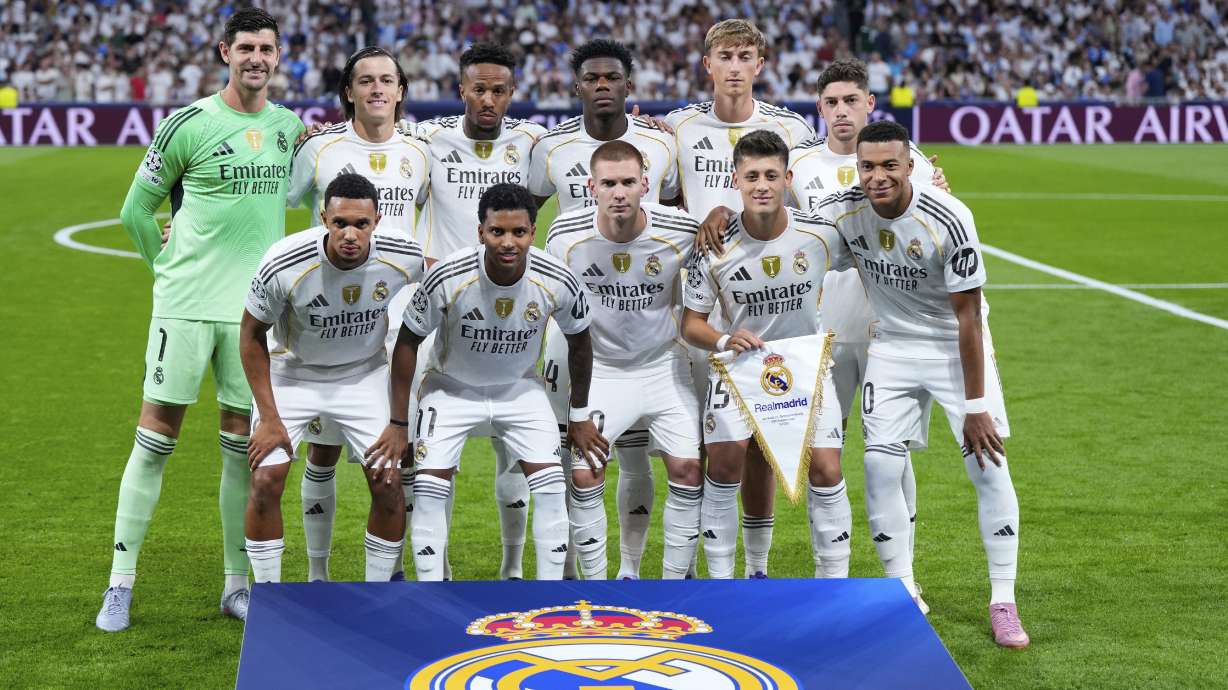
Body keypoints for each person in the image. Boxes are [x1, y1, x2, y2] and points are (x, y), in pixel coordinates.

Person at [97, 7, 304, 632]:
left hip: (250, 317)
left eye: (267, 48)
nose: (257, 58)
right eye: (246, 47)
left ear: (278, 56)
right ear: (224, 52)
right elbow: (136, 211)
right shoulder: (188, 124)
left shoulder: (290, 128)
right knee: (155, 439)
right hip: (185, 307)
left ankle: (236, 586)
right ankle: (119, 584)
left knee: (243, 452)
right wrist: (165, 268)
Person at [819, 120, 1028, 648]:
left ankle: (1003, 599)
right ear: (857, 167)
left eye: (890, 165)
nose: (878, 176)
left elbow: (968, 318)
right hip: (890, 345)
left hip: (954, 349)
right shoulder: (844, 213)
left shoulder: (949, 217)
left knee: (988, 463)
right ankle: (903, 590)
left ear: (911, 166)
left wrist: (976, 404)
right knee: (878, 464)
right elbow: (789, 232)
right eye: (868, 166)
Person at [367, 183, 604, 581]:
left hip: (521, 390)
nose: (508, 243)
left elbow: (580, 341)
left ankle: (547, 595)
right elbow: (407, 342)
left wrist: (577, 415)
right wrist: (398, 422)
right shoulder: (448, 274)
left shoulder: (556, 277)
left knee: (549, 487)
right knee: (427, 488)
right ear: (481, 232)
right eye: (498, 232)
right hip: (450, 388)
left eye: (519, 232)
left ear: (532, 231)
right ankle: (431, 592)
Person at [665, 18, 815, 577]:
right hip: (693, 304)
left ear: (760, 63)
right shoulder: (675, 129)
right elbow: (647, 193)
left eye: (744, 55)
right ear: (707, 65)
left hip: (765, 308)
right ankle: (704, 565)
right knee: (706, 446)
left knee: (759, 444)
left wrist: (926, 176)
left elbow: (819, 191)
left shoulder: (791, 128)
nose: (733, 66)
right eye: (723, 56)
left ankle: (754, 568)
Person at [529, 38, 677, 579]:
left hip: (640, 320)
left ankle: (631, 569)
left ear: (628, 84)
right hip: (573, 326)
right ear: (577, 86)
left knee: (635, 451)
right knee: (570, 448)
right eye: (591, 78)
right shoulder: (550, 148)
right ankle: (571, 566)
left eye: (612, 77)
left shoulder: (660, 147)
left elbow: (676, 216)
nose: (602, 86)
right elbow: (523, 214)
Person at [286, 45, 430, 583]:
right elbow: (269, 203)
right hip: (332, 321)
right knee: (321, 451)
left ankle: (390, 571)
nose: (375, 88)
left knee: (401, 450)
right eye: (364, 80)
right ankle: (318, 574)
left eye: (386, 80)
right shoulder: (319, 149)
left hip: (404, 323)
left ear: (400, 92)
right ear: (348, 91)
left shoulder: (422, 150)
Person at [680, 130, 850, 580]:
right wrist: (721, 340)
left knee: (827, 469)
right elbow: (690, 323)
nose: (762, 185)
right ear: (735, 179)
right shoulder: (713, 247)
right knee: (727, 461)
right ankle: (728, 581)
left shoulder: (821, 235)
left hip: (806, 364)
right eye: (751, 175)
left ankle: (832, 585)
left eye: (771, 175)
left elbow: (870, 233)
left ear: (787, 178)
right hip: (739, 365)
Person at [240, 173, 424, 584]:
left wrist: (398, 422)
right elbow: (251, 334)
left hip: (364, 375)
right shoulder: (283, 263)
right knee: (267, 479)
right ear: (324, 218)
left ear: (377, 220)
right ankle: (270, 596)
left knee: (389, 481)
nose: (350, 235)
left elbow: (438, 287)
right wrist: (269, 418)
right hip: (293, 376)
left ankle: (379, 594)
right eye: (340, 223)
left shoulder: (404, 255)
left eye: (361, 224)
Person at [413, 42, 547, 580]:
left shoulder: (533, 143)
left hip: (512, 310)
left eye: (499, 90)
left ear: (511, 94)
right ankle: (437, 569)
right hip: (440, 310)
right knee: (433, 452)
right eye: (479, 89)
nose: (488, 99)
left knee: (512, 445)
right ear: (461, 90)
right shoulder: (427, 140)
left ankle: (512, 571)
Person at [544, 141, 704, 580]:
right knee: (584, 475)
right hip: (602, 372)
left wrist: (720, 216)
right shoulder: (564, 234)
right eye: (609, 183)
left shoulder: (680, 230)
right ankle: (597, 588)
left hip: (664, 367)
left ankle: (673, 587)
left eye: (629, 182)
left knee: (689, 470)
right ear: (591, 187)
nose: (619, 192)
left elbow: (722, 253)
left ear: (645, 185)